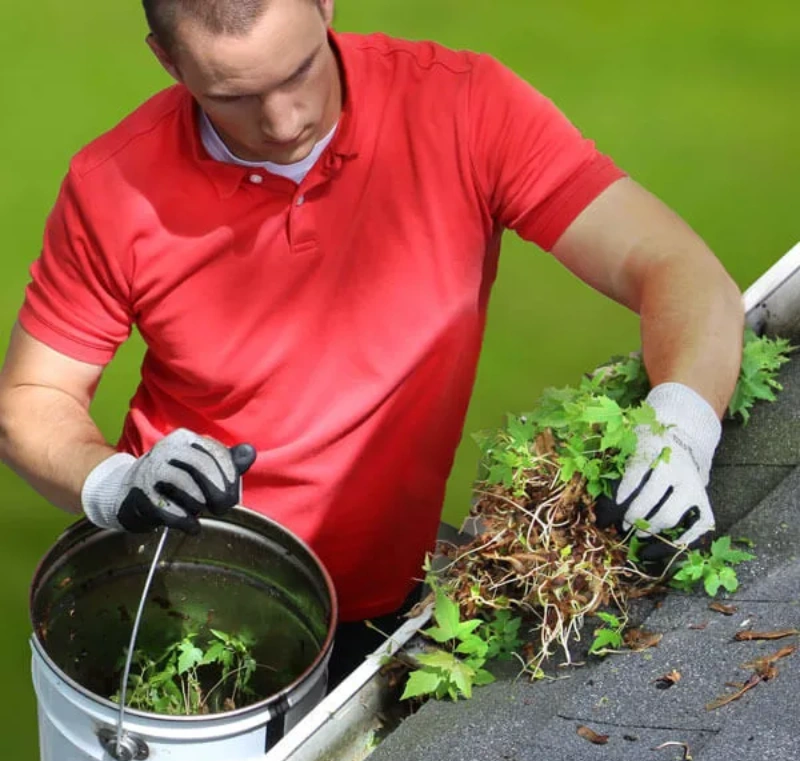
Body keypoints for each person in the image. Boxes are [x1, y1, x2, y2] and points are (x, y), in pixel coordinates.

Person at [0, 0, 744, 684]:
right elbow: (32, 400)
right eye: (232, 96)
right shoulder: (113, 184)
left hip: (393, 597)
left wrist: (681, 426)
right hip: (177, 606)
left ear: (325, 5)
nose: (283, 121)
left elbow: (675, 268)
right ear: (167, 60)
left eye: (299, 70)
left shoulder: (462, 106)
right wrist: (115, 482)